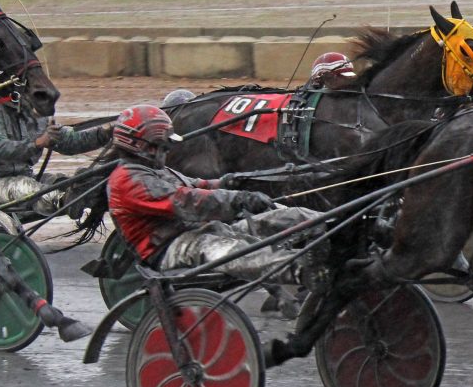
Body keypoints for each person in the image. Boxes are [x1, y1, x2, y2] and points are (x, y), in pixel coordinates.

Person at [104, 104, 330, 318]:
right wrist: (238, 199)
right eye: (163, 146)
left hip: (203, 232)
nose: (167, 151)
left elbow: (195, 185)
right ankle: (304, 271)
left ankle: (333, 229)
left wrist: (228, 182)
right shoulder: (127, 181)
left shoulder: (153, 170)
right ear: (143, 146)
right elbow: (187, 201)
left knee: (289, 216)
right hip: (171, 249)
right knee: (239, 250)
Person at [0, 95, 112, 216]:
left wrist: (104, 134)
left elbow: (69, 140)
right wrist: (37, 143)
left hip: (24, 176)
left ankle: (76, 195)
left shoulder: (32, 114)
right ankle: (64, 201)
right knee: (25, 187)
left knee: (61, 182)